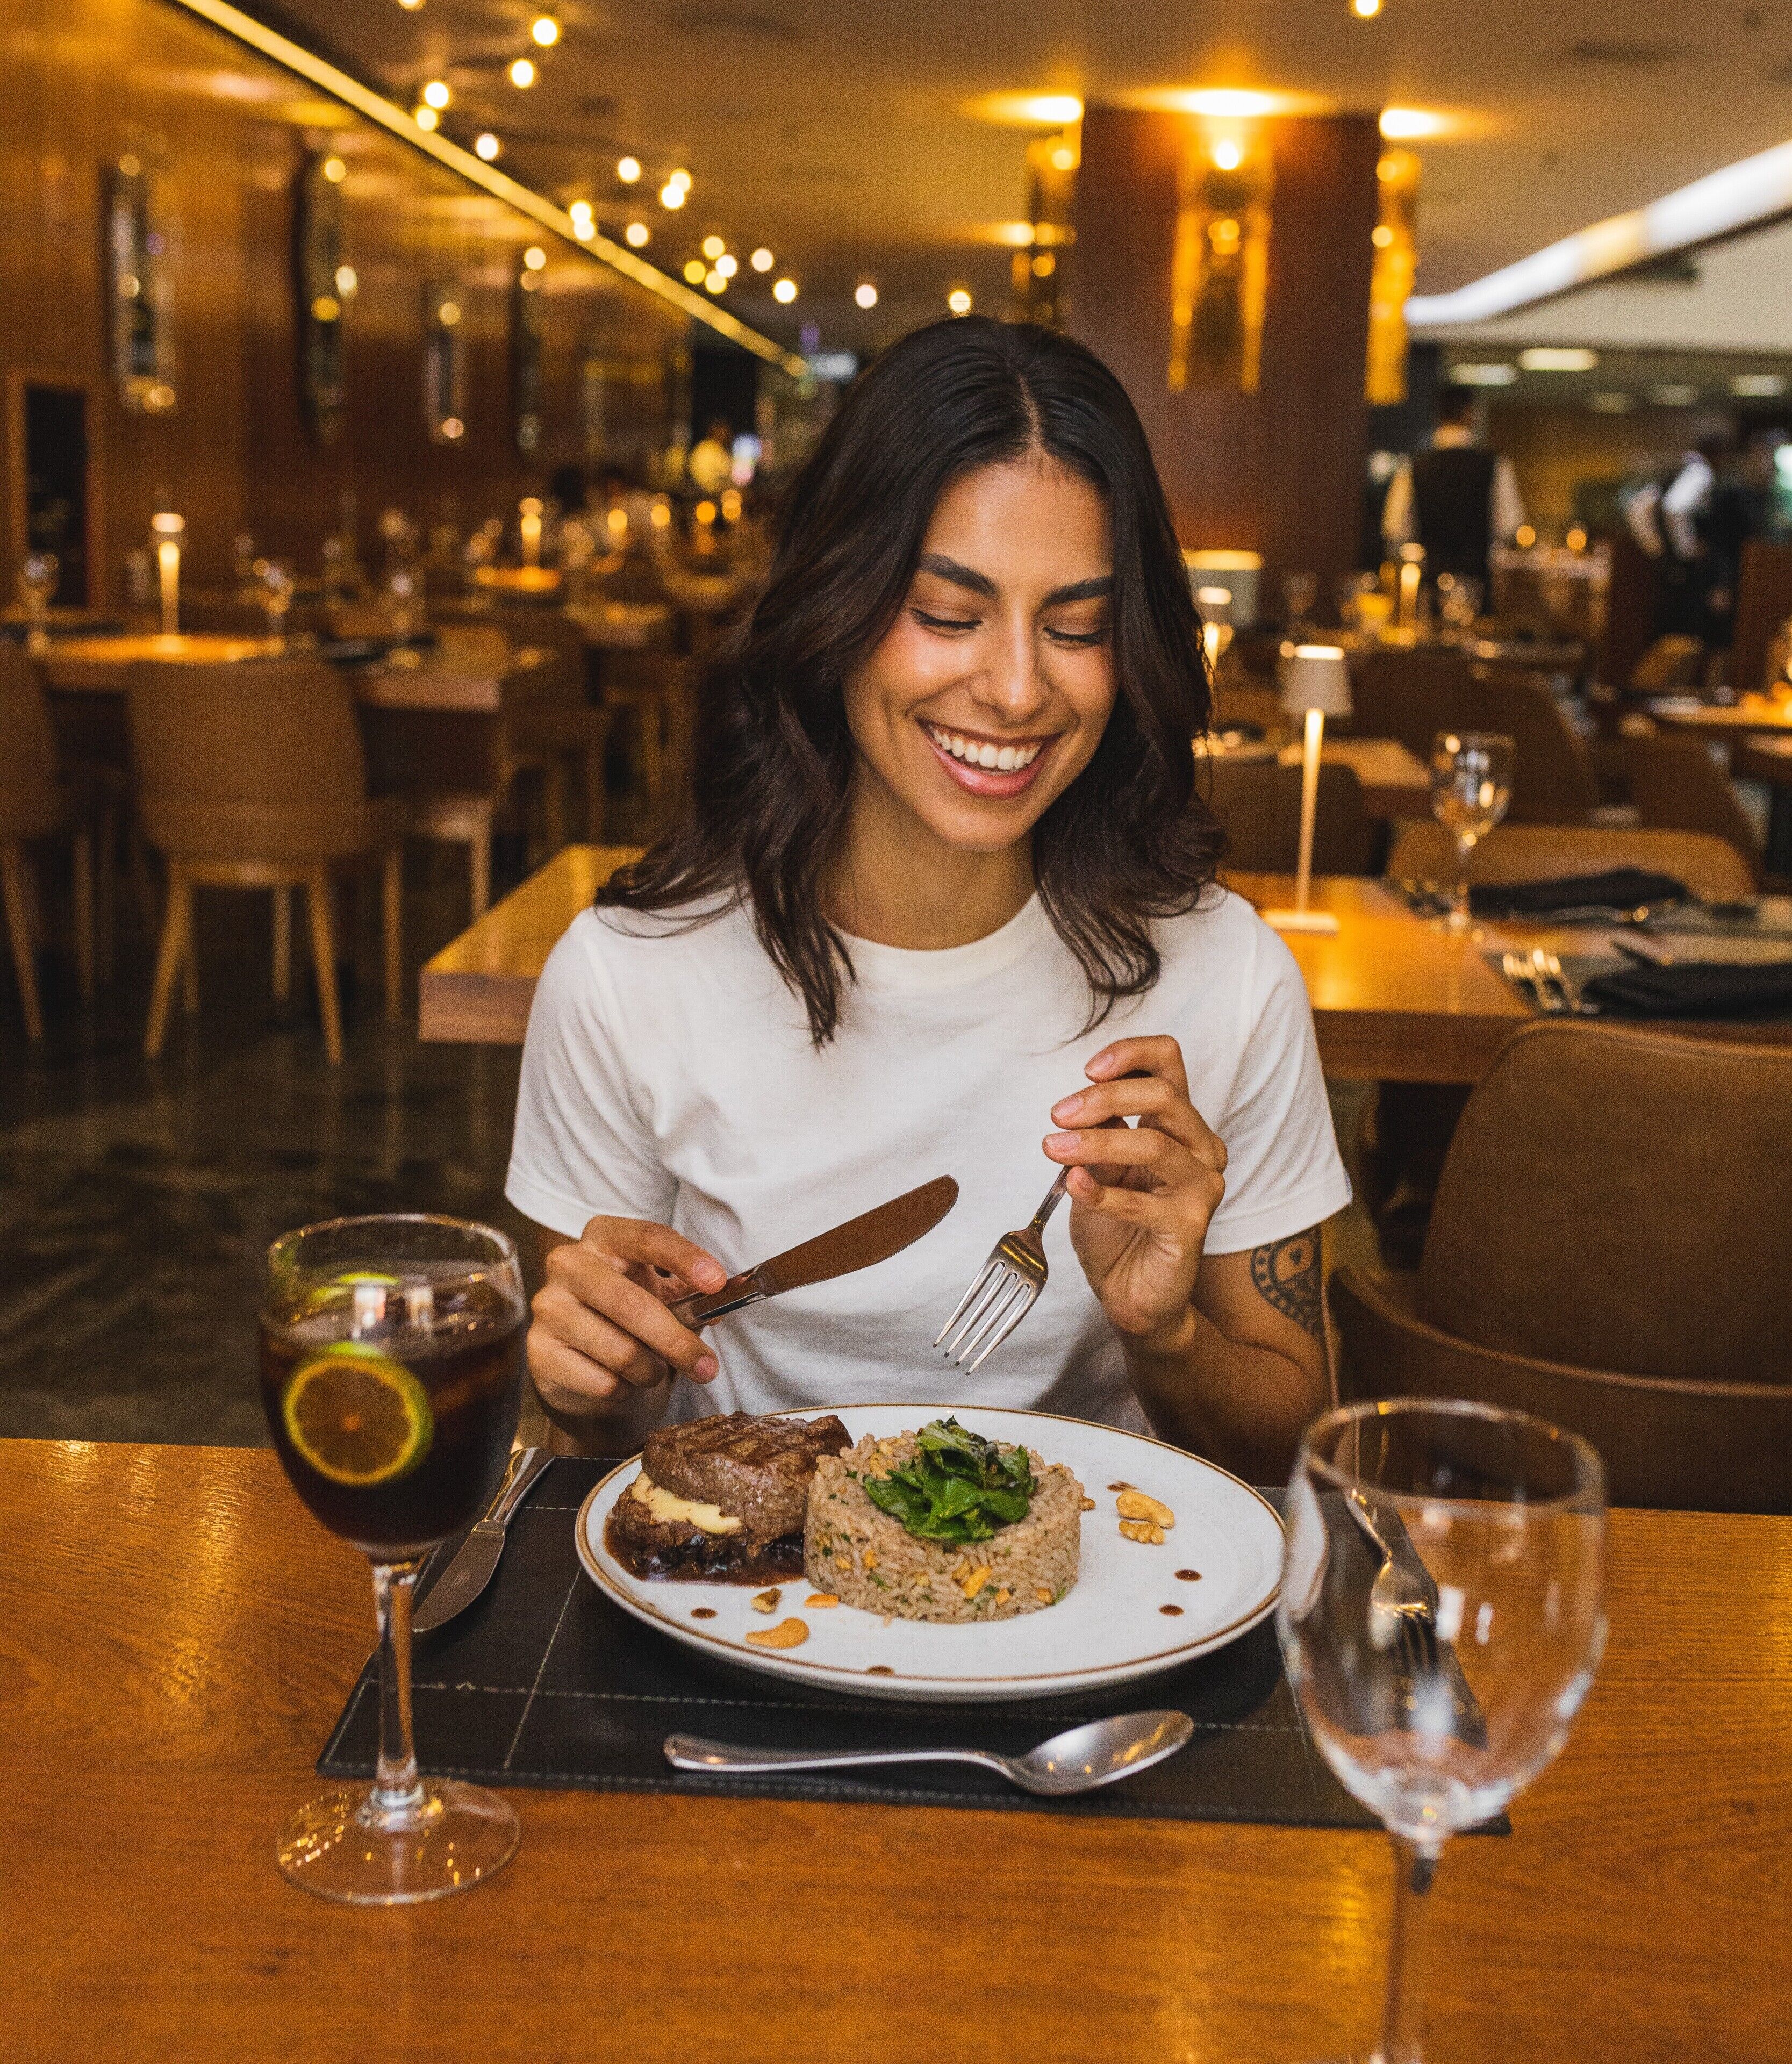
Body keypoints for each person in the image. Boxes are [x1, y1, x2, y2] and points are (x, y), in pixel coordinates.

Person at [508, 317, 1351, 1484]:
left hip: (1097, 1579)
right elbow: (593, 1444)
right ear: (833, 609)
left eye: (1076, 628)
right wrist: (595, 1381)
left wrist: (1163, 1334)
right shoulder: (624, 975)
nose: (1014, 689)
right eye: (947, 616)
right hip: (749, 1574)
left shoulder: (1226, 975)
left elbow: (1293, 1440)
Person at [1381, 385, 1525, 590]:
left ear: (1438, 415)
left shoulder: (1413, 467)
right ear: (1470, 414)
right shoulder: (1495, 465)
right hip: (1477, 583)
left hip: (1430, 582)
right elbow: (1510, 525)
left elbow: (1395, 529)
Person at [686, 417, 736, 497]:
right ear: (713, 431)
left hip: (713, 493)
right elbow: (725, 474)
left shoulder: (715, 448)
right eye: (722, 431)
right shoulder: (709, 449)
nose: (726, 435)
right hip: (709, 495)